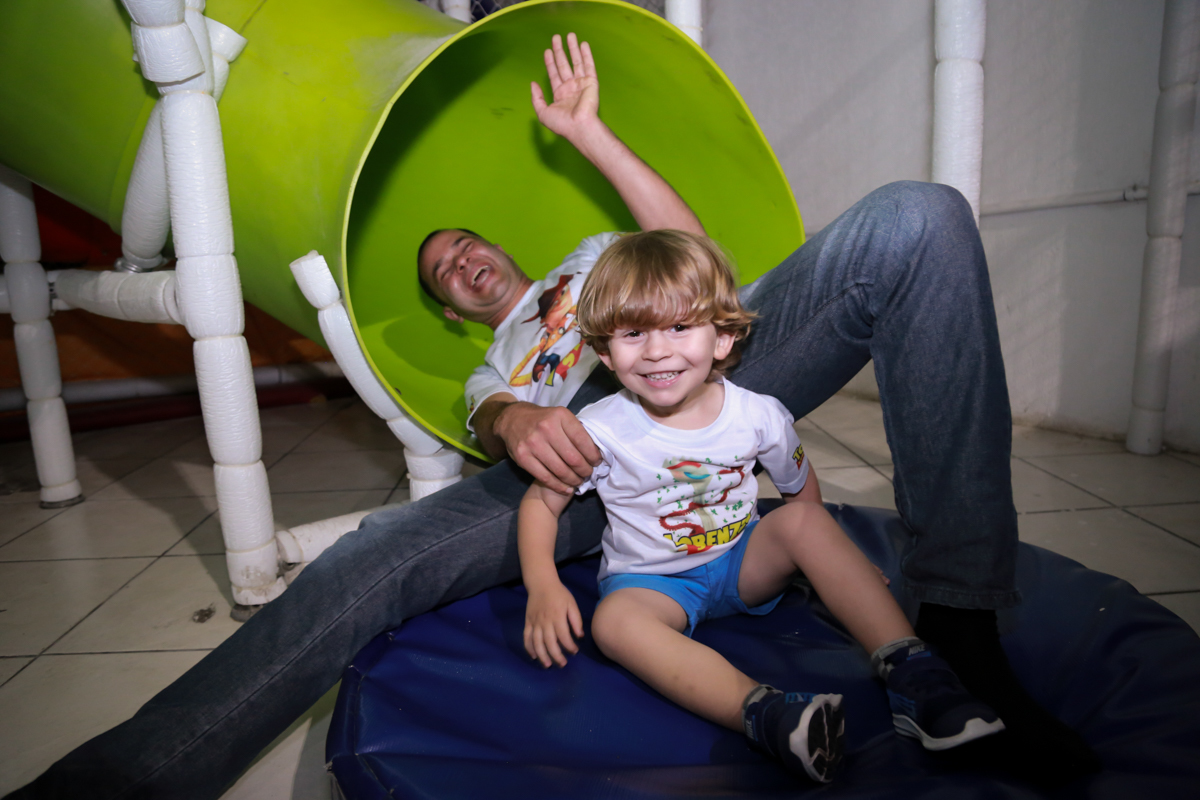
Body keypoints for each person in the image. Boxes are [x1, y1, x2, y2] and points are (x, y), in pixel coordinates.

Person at [7, 32, 1096, 800]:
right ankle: (115, 782)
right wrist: (516, 423)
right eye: (443, 270)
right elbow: (494, 421)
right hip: (576, 459)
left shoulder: (595, 262)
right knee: (363, 561)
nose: (462, 261)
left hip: (700, 373)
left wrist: (589, 135)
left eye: (467, 244)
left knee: (918, 216)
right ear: (450, 307)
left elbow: (703, 268)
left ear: (506, 248)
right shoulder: (492, 364)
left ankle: (957, 634)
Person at [518, 229, 1005, 783]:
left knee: (803, 521)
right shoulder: (600, 428)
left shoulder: (759, 415)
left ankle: (915, 675)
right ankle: (768, 715)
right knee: (613, 624)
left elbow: (801, 492)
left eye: (679, 327)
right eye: (633, 333)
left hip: (743, 562)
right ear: (606, 351)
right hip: (652, 583)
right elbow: (541, 504)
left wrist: (830, 563)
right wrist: (543, 585)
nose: (656, 351)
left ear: (722, 338)